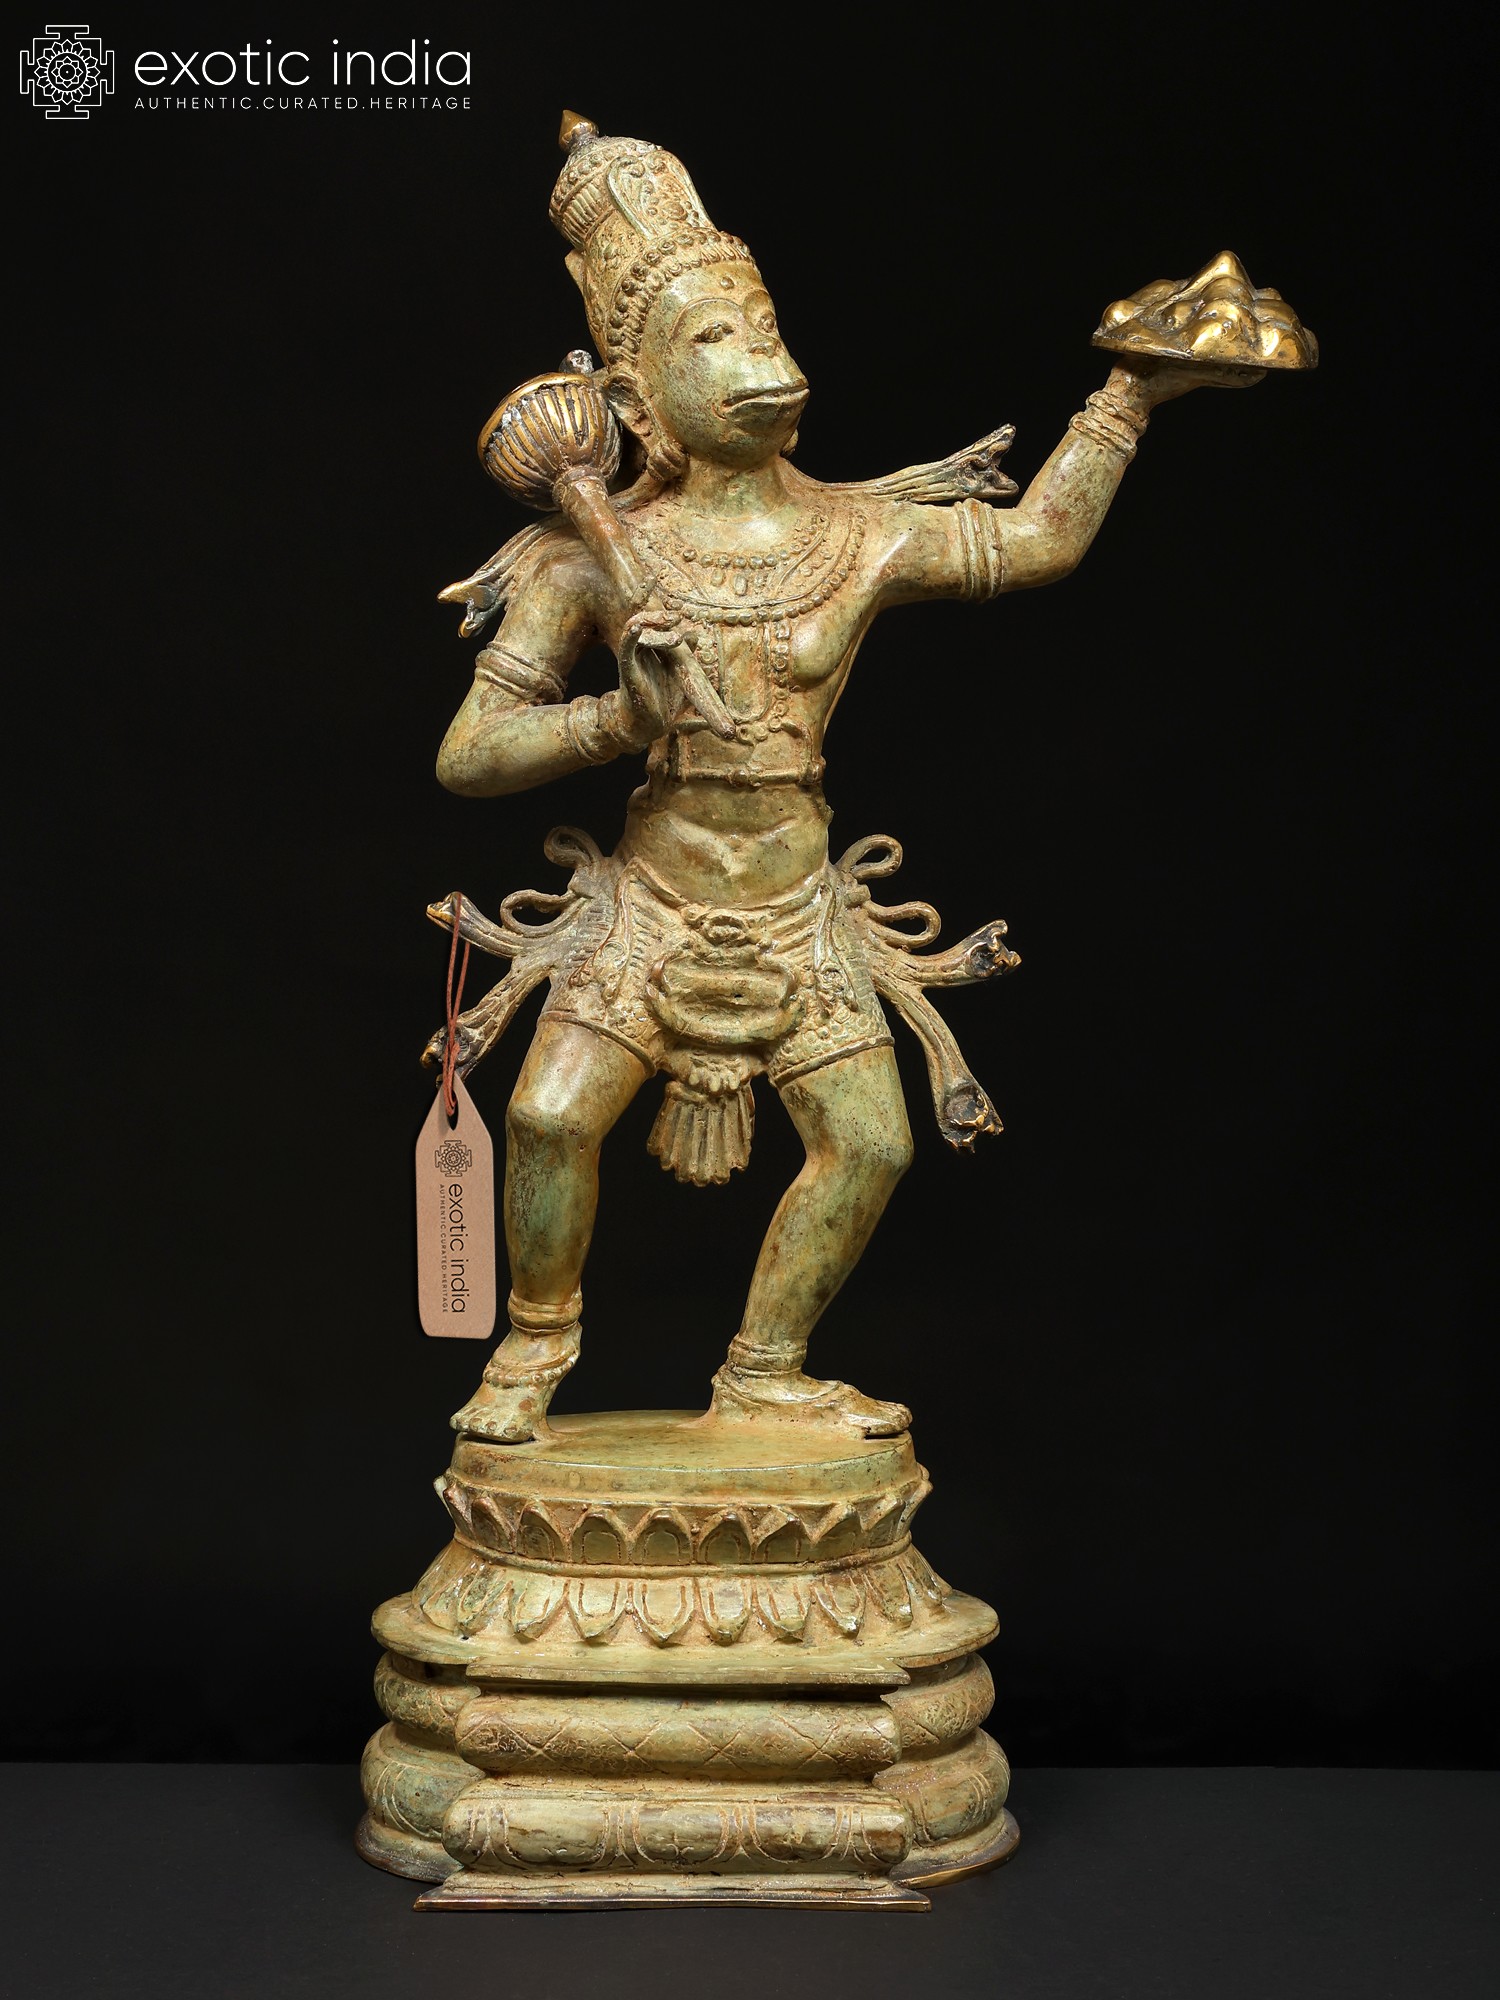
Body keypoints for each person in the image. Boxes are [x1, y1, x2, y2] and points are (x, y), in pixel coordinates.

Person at [431, 118, 1257, 1442]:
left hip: (794, 907)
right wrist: (617, 718)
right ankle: (536, 1345)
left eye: (760, 324)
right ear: (637, 405)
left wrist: (1126, 398)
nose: (755, 357)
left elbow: (1036, 543)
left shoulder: (857, 533)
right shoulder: (587, 559)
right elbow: (469, 755)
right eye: (712, 338)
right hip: (652, 904)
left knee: (870, 1146)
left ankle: (764, 1366)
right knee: (544, 1119)